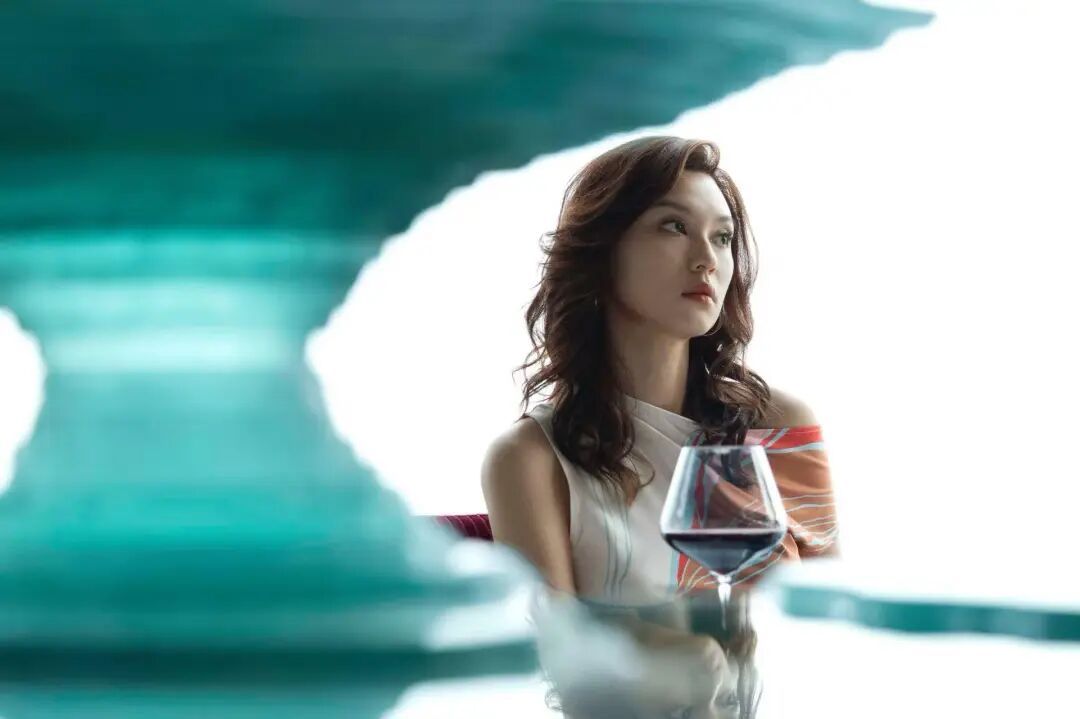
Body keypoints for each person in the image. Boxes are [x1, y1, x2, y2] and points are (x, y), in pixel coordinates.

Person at [481, 136, 841, 716]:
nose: (706, 259)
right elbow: (559, 660)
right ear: (603, 252)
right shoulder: (530, 458)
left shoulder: (777, 428)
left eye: (721, 237)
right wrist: (660, 655)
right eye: (674, 227)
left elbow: (835, 629)